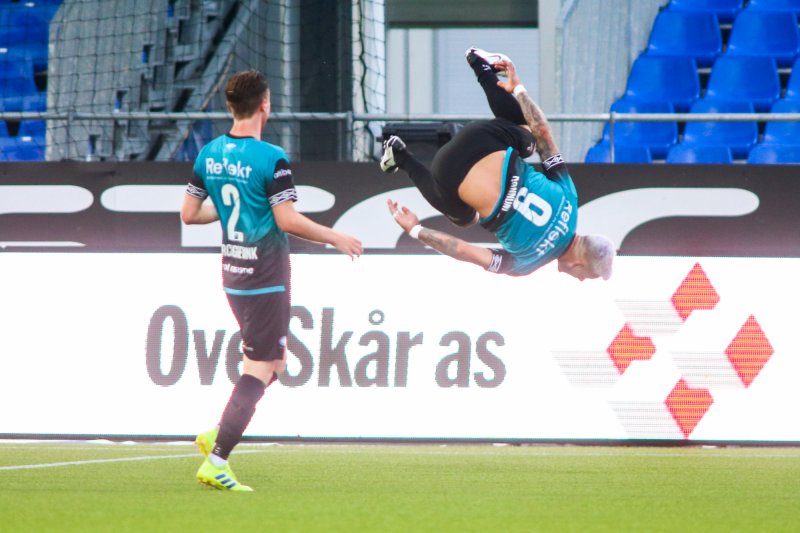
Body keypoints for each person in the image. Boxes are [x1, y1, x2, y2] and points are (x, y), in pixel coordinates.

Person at [181, 69, 362, 491]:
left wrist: (231, 211)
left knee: (274, 364)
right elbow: (287, 220)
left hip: (233, 273)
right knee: (262, 368)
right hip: (265, 276)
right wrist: (334, 236)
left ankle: (217, 433)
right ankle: (218, 458)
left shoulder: (208, 153)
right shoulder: (270, 158)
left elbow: (189, 215)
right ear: (265, 104)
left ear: (229, 106)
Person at [382, 48, 614, 280]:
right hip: (447, 169)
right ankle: (401, 156)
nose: (581, 279)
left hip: (480, 136)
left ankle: (481, 66)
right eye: (586, 276)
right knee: (465, 219)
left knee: (531, 139)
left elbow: (542, 130)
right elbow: (460, 249)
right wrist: (415, 229)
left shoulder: (570, 200)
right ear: (579, 265)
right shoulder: (525, 264)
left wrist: (519, 88)